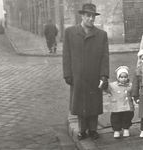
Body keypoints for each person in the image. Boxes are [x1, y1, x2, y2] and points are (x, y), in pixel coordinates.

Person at [62, 3, 109, 140]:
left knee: (94, 104)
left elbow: (105, 57)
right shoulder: (70, 32)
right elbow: (66, 55)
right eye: (88, 15)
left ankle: (93, 130)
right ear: (82, 16)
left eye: (93, 16)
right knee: (80, 104)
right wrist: (67, 73)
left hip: (94, 75)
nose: (91, 19)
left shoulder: (101, 35)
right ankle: (82, 130)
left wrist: (104, 75)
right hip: (78, 76)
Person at [105, 66, 134, 139]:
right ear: (118, 77)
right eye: (121, 77)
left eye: (125, 77)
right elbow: (106, 88)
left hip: (127, 106)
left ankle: (126, 129)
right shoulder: (112, 85)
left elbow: (134, 91)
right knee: (115, 119)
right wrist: (104, 82)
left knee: (127, 118)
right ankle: (116, 130)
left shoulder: (130, 85)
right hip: (117, 107)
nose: (123, 79)